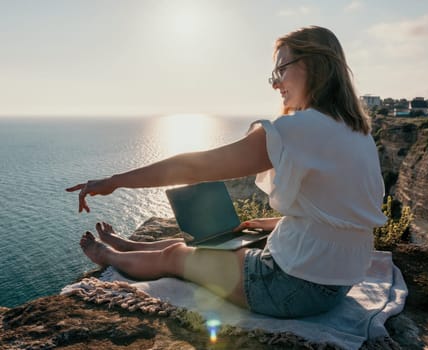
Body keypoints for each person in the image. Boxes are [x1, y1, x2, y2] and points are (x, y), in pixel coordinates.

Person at [66, 26, 387, 318]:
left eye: (281, 69)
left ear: (315, 65)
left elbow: (193, 167)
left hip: (292, 288)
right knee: (218, 240)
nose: (275, 83)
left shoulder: (298, 130)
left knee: (178, 256)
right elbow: (345, 211)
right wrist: (280, 223)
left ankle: (109, 256)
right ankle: (130, 246)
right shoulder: (357, 132)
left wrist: (114, 182)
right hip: (337, 282)